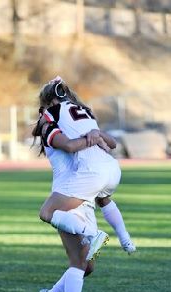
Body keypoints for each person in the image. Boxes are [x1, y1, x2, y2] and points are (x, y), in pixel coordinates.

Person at [39, 76, 136, 255]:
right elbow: (113, 144)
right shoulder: (86, 110)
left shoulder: (54, 110)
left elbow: (43, 126)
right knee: (103, 199)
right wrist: (96, 135)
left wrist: (44, 119)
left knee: (47, 213)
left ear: (50, 100)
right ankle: (126, 239)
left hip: (91, 172)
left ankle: (91, 234)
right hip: (113, 169)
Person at [33, 109, 109, 292]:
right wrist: (93, 136)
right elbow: (69, 146)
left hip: (84, 197)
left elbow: (105, 144)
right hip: (65, 196)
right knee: (78, 262)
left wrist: (96, 133)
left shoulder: (71, 126)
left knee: (88, 267)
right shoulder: (50, 128)